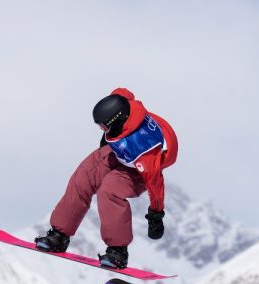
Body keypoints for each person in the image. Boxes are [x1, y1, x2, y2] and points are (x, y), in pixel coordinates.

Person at [34, 88, 178, 269]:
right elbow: (123, 93)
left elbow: (155, 182)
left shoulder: (144, 150)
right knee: (83, 177)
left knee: (110, 190)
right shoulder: (123, 110)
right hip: (121, 150)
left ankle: (118, 252)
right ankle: (59, 236)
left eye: (104, 126)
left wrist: (156, 215)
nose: (101, 129)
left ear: (116, 122)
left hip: (141, 165)